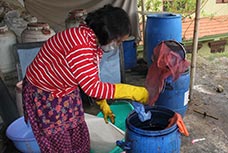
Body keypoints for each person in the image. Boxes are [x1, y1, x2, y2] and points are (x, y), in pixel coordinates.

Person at [22, 4, 148, 153]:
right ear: (107, 33)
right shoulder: (79, 43)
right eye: (118, 41)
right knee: (60, 141)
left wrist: (102, 103)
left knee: (77, 132)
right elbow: (92, 88)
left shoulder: (90, 39)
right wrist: (135, 92)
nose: (117, 45)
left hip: (65, 88)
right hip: (45, 94)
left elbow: (90, 77)